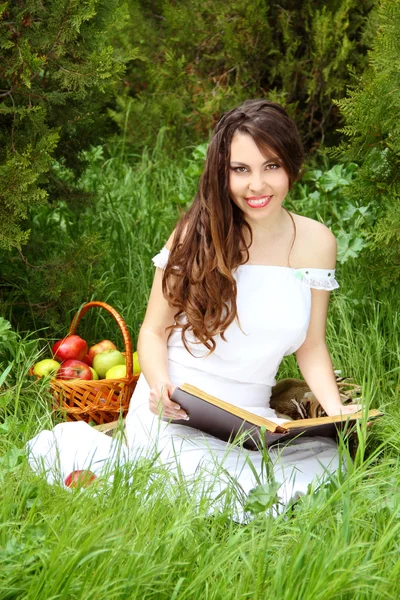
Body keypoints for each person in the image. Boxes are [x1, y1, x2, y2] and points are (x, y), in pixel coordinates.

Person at [124, 99, 361, 514]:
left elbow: (312, 345)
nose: (257, 185)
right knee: (208, 485)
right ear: (222, 172)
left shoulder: (316, 241)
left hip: (251, 419)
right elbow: (152, 331)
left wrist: (335, 408)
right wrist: (160, 386)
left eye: (271, 166)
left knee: (330, 463)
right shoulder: (193, 235)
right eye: (241, 169)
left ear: (291, 166)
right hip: (176, 414)